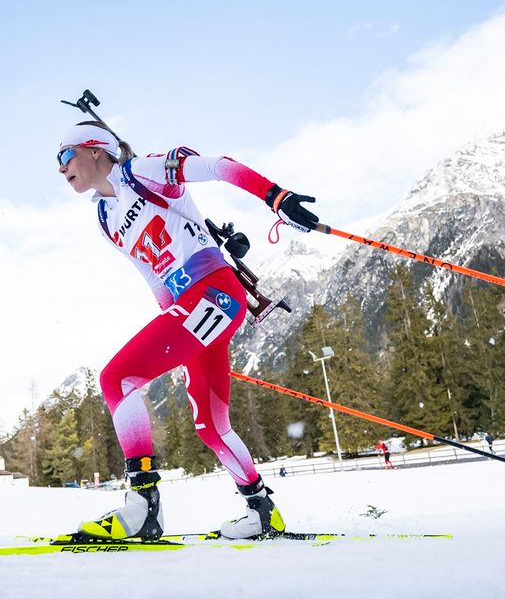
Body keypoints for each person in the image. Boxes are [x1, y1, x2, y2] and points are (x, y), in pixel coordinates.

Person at [57, 120, 320, 541]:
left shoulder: (140, 171)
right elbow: (155, 279)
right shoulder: (106, 218)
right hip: (191, 310)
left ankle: (142, 507)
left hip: (214, 293)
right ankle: (262, 512)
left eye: (65, 156)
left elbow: (216, 167)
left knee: (116, 380)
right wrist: (179, 337)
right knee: (212, 426)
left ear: (94, 150)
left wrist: (277, 197)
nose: (60, 168)